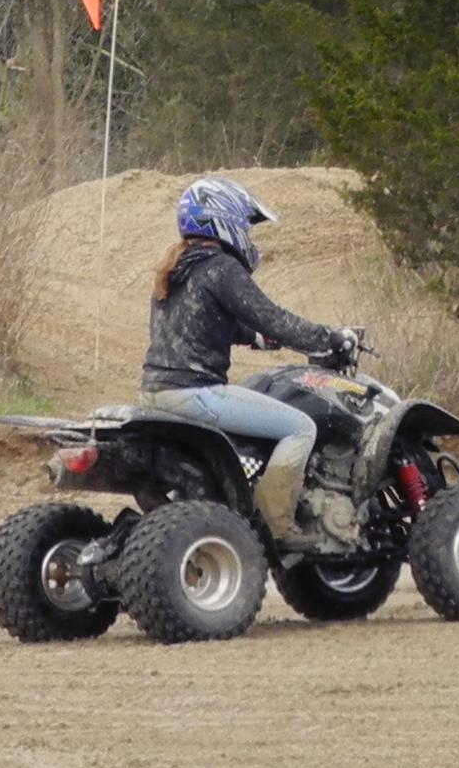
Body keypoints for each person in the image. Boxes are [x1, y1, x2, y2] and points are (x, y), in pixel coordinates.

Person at [139, 177, 365, 545]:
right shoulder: (221, 268)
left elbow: (210, 325)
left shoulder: (177, 268)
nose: (247, 232)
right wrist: (330, 338)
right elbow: (273, 317)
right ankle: (280, 527)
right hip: (195, 393)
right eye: (244, 223)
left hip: (155, 394)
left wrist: (258, 338)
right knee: (300, 428)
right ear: (222, 220)